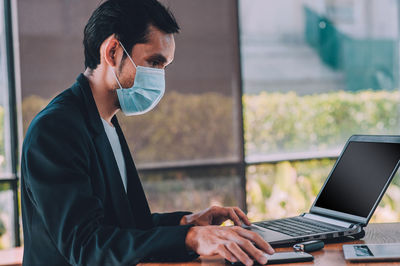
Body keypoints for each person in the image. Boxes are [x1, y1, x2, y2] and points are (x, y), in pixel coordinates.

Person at [20, 0, 274, 265]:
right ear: (113, 51)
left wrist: (187, 222)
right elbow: (86, 245)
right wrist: (190, 238)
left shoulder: (104, 122)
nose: (159, 78)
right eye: (154, 62)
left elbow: (124, 227)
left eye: (164, 66)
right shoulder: (55, 129)